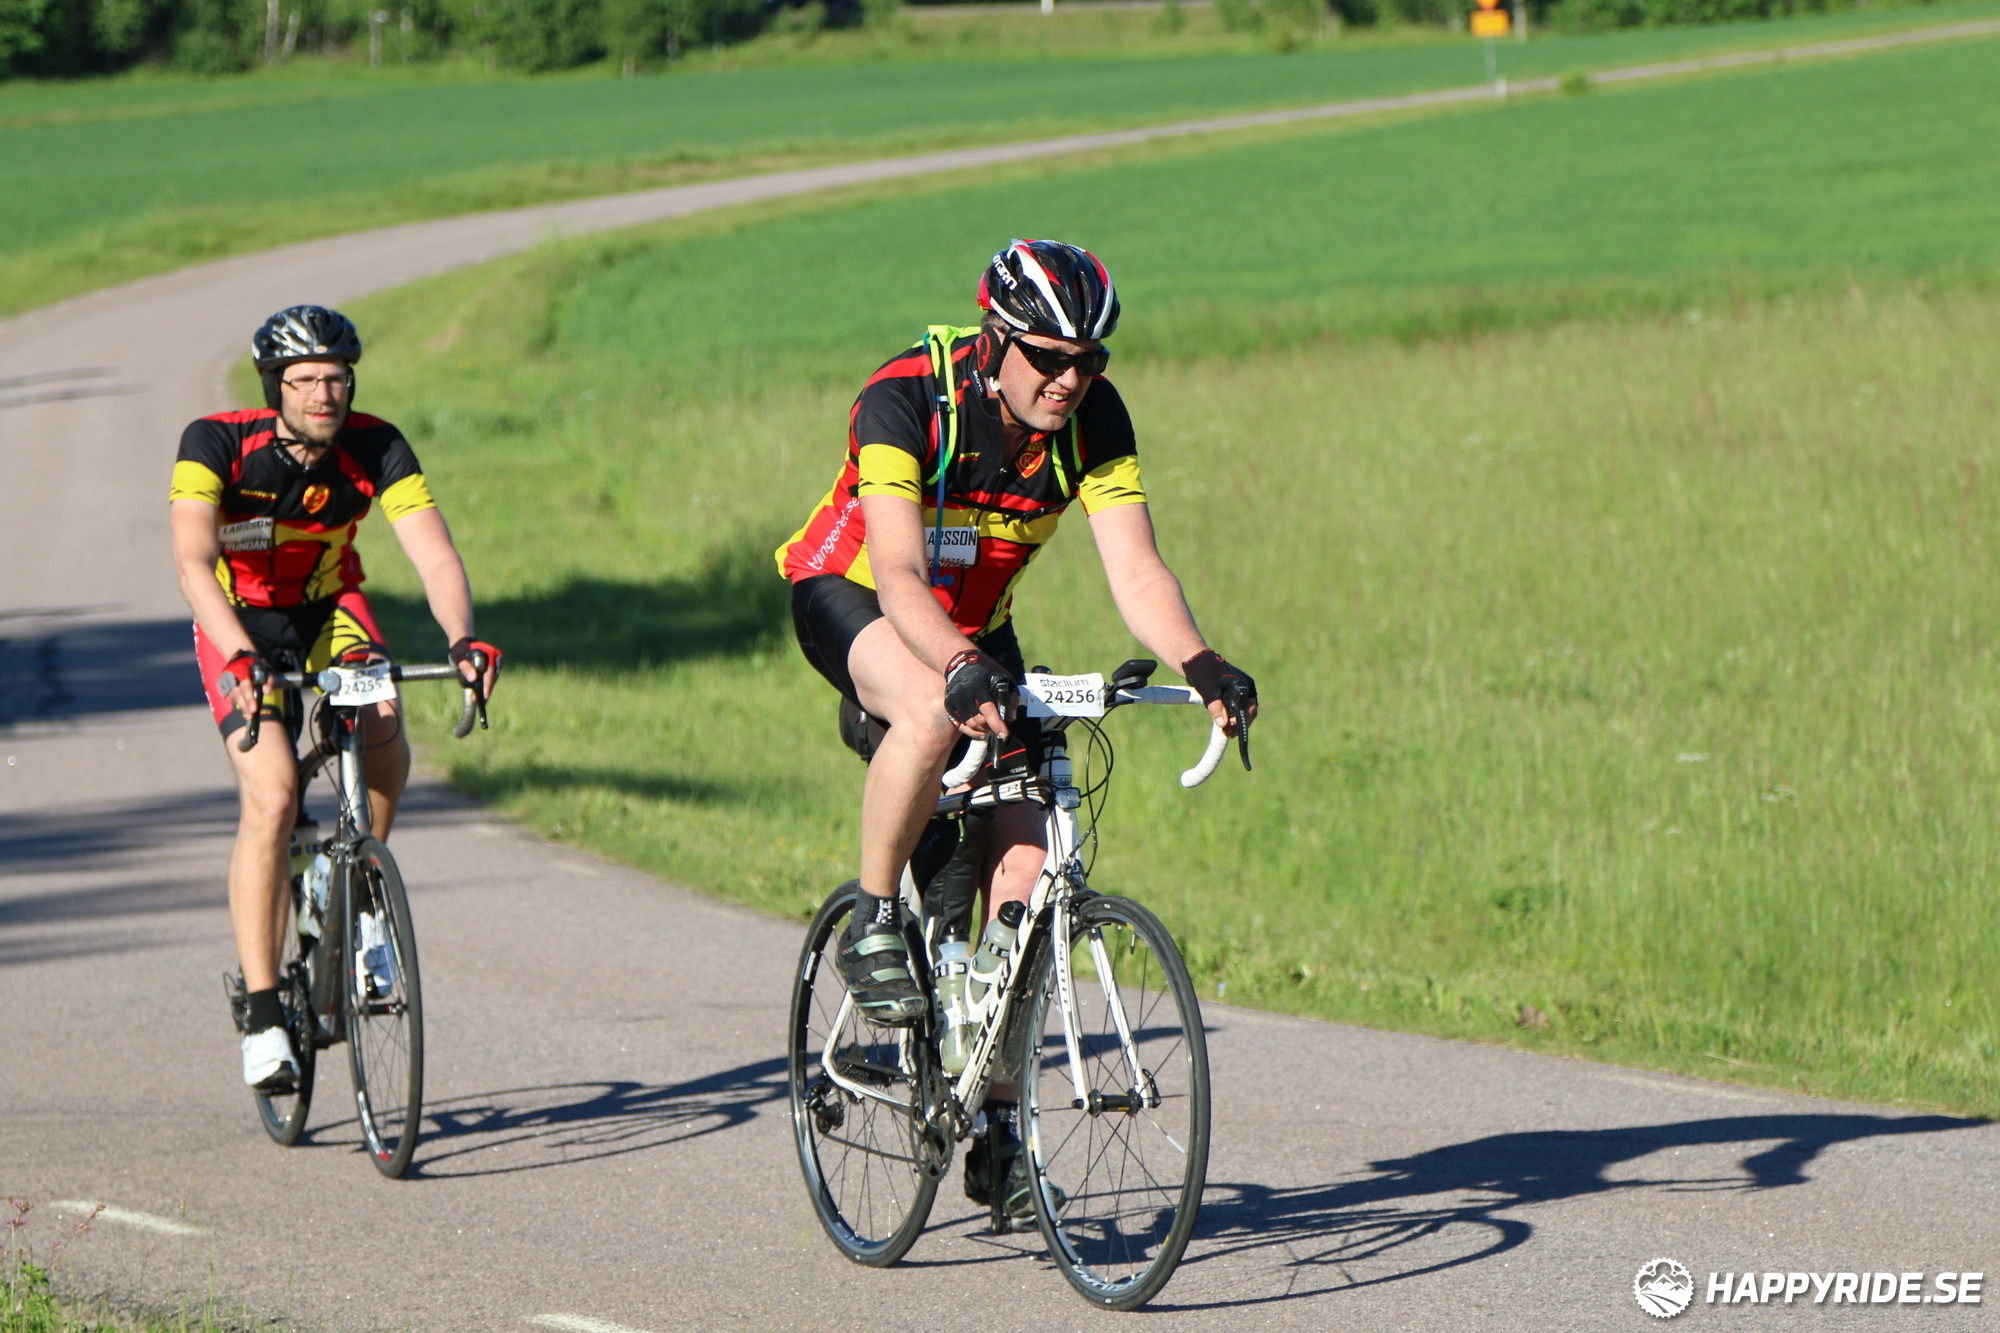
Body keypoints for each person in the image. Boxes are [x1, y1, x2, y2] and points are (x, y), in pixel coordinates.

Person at [776, 239, 1258, 1222]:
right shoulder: (907, 398)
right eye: (1049, 357)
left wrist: (1200, 659)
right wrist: (955, 667)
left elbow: (1136, 570)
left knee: (1030, 866)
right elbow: (900, 574)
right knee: (926, 706)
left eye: (1090, 360)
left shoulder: (1093, 422)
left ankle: (999, 1126)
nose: (1070, 380)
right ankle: (874, 919)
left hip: (976, 625)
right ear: (996, 338)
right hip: (857, 595)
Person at [169, 304, 501, 1092]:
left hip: (328, 610)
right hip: (238, 621)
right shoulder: (215, 443)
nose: (325, 393)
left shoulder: (377, 446)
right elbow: (191, 560)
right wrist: (241, 655)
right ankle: (262, 1014)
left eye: (337, 378)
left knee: (383, 719)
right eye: (306, 380)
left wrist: (462, 637)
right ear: (274, 386)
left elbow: (434, 553)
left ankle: (361, 899)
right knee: (274, 794)